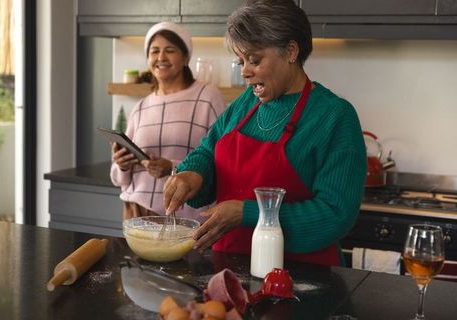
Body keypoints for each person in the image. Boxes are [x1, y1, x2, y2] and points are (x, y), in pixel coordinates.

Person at [163, 0, 367, 266]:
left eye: (255, 60)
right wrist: (192, 175)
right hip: (229, 268)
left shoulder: (335, 116)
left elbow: (335, 215)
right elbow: (207, 152)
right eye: (241, 61)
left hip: (304, 277)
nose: (245, 72)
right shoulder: (247, 102)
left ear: (291, 51)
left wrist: (247, 213)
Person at [110, 22, 226, 220]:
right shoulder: (141, 107)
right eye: (154, 51)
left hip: (185, 217)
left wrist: (173, 168)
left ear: (185, 57)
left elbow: (223, 160)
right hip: (137, 212)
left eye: (170, 50)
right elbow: (117, 177)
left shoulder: (207, 97)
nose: (161, 58)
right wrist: (121, 165)